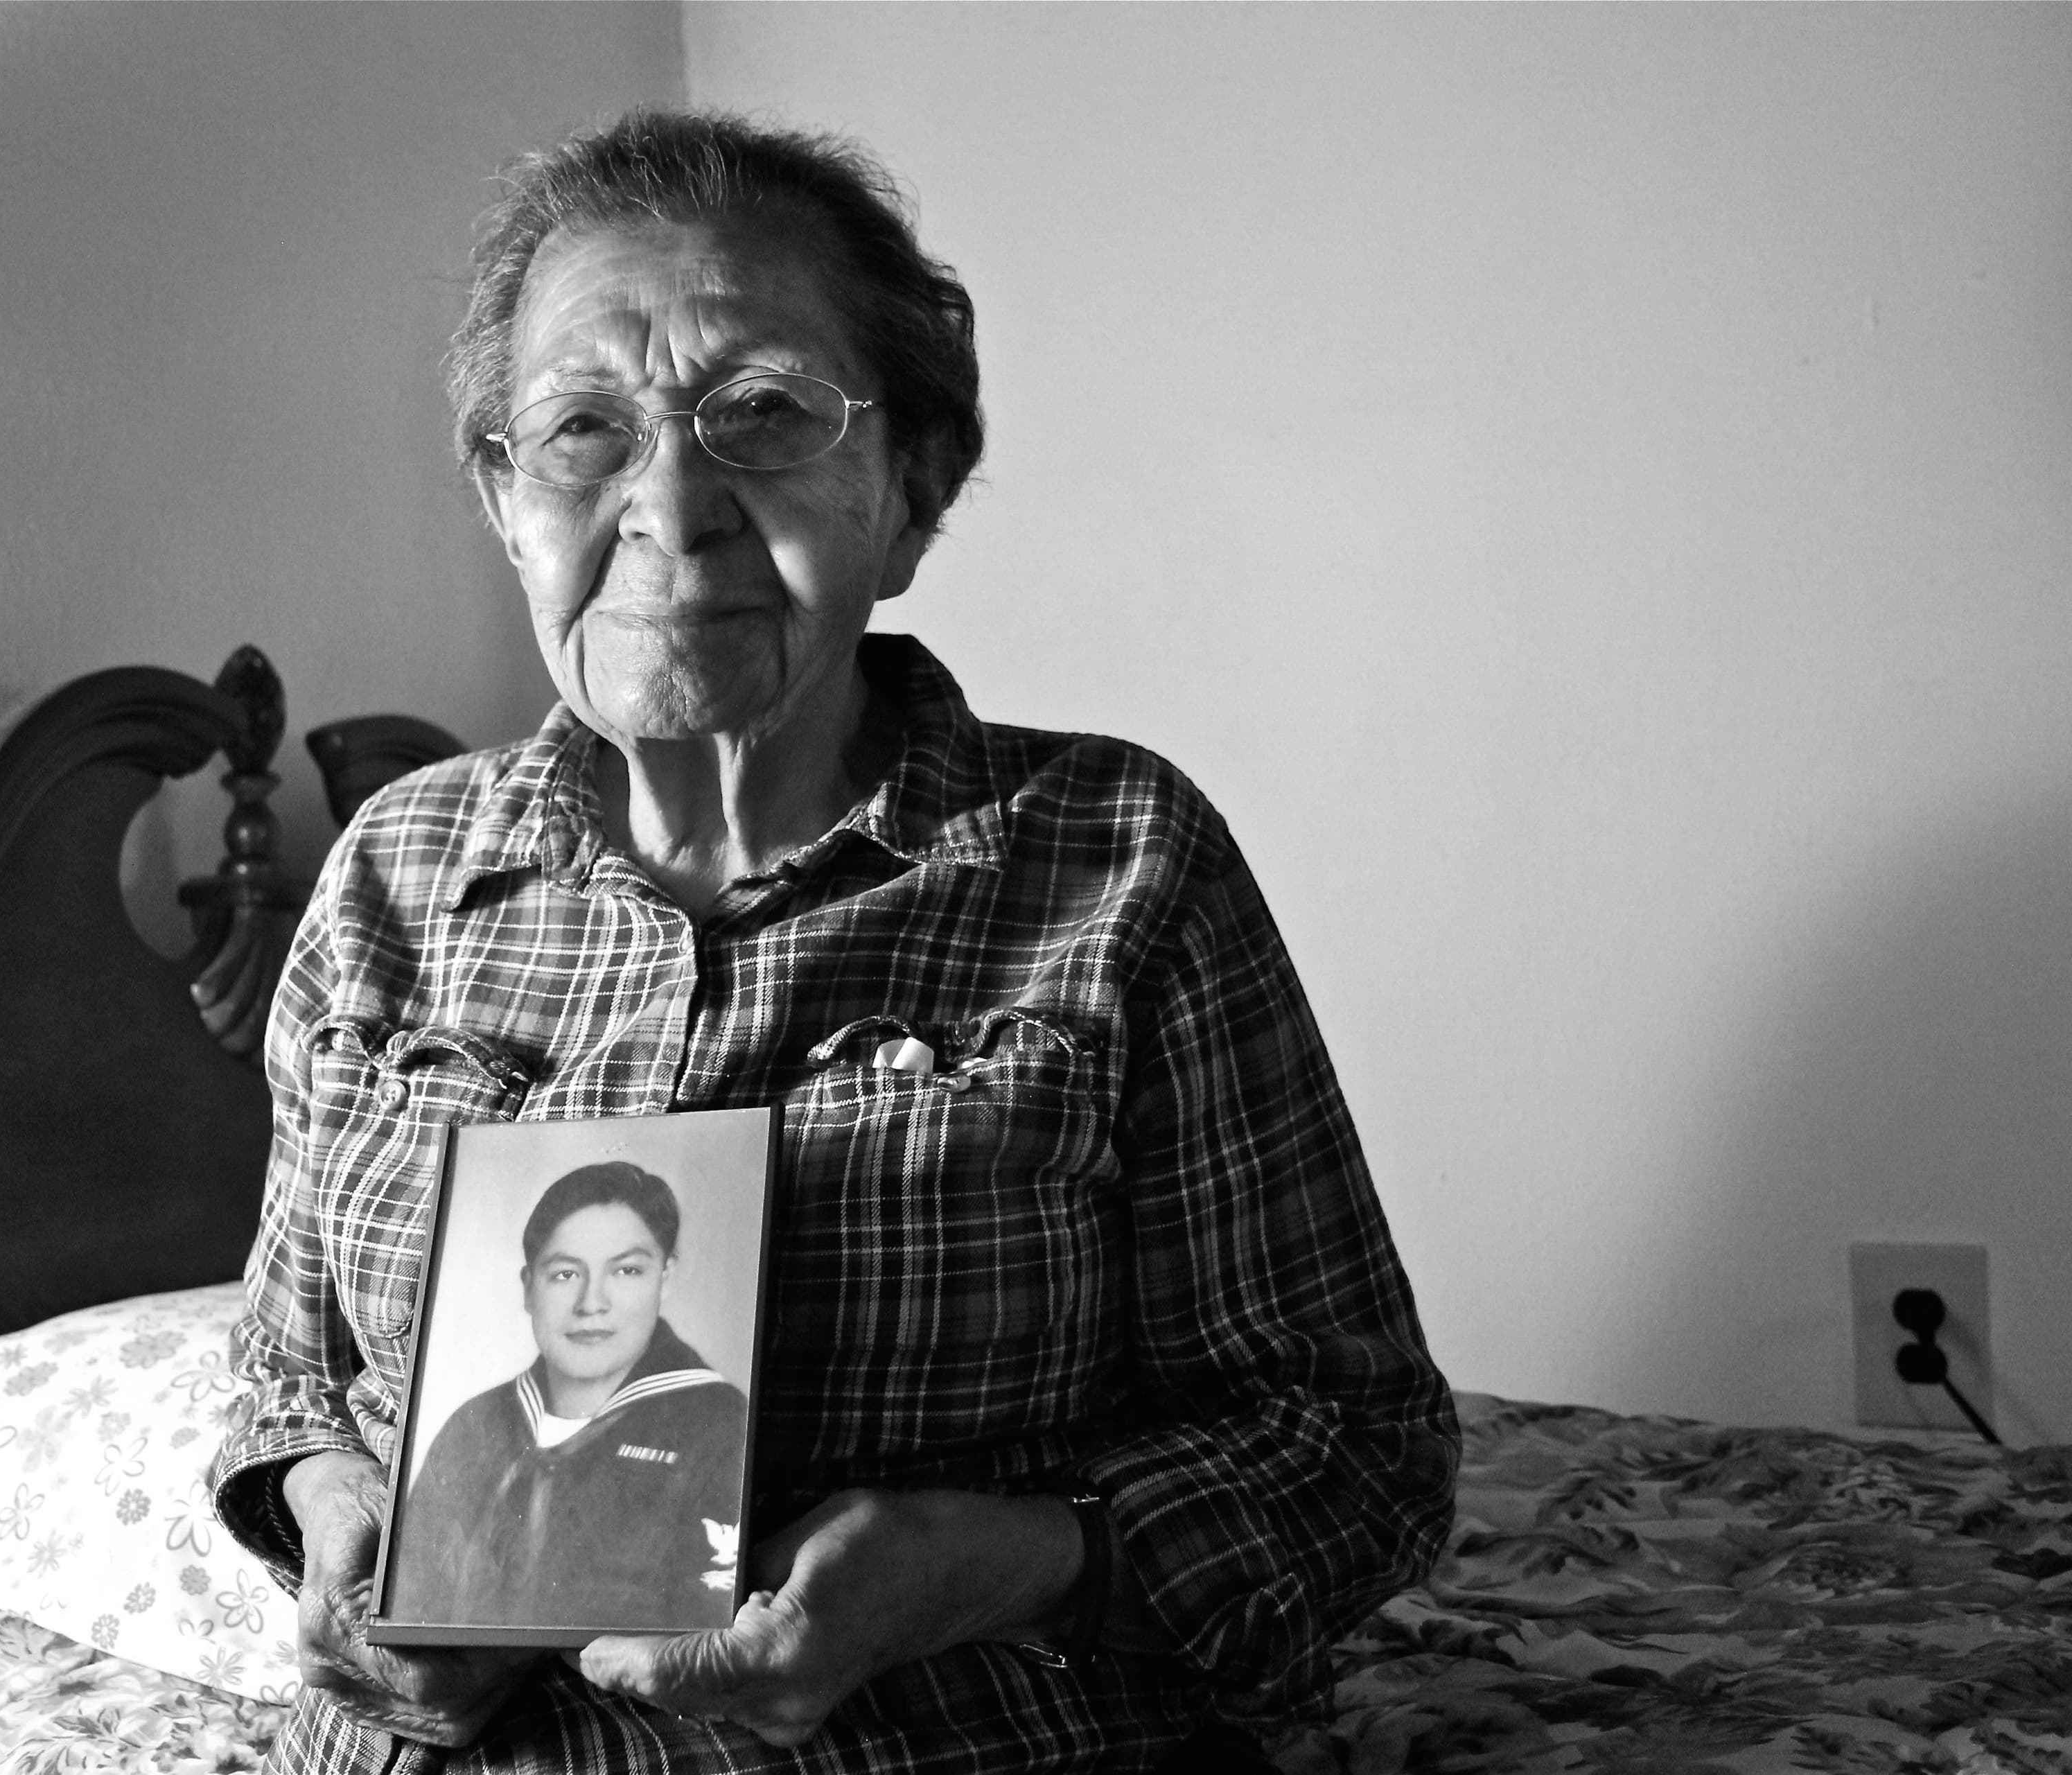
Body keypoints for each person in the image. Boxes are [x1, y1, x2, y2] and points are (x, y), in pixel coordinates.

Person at [213, 108, 1459, 1774]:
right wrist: (336, 1516)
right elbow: (286, 1376)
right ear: (508, 499)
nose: (673, 507)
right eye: (583, 428)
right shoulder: (395, 865)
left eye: (767, 412)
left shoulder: (1117, 855)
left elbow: (1358, 1452)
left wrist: (987, 1558)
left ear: (911, 487)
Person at [387, 1162, 748, 1632]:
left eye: (627, 1270)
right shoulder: (474, 1426)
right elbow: (414, 1603)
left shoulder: (719, 1428)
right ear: (528, 1287)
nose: (592, 1303)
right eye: (564, 1274)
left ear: (666, 1276)